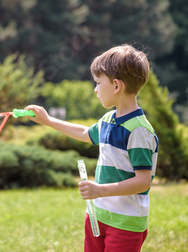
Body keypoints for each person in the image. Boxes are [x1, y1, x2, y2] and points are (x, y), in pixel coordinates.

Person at [25, 44, 158, 252]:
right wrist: (48, 121)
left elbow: (143, 181)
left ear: (116, 86)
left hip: (125, 223)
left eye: (97, 83)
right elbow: (85, 133)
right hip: (98, 215)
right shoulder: (108, 120)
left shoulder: (138, 131)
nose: (95, 90)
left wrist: (100, 190)